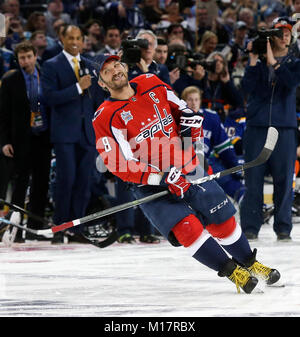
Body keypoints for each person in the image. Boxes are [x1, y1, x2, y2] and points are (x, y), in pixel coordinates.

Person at [92, 53, 280, 294]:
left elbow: (181, 110)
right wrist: (160, 177)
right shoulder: (105, 116)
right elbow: (119, 164)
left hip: (186, 165)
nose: (115, 70)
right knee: (187, 228)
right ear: (101, 83)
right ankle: (233, 271)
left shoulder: (151, 82)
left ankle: (251, 264)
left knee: (222, 219)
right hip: (152, 183)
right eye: (107, 71)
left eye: (117, 64)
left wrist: (190, 123)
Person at [41, 25, 104, 243]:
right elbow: (48, 98)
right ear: (62, 39)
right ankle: (60, 227)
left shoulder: (90, 65)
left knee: (84, 183)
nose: (75, 42)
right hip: (64, 134)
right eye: (71, 38)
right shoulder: (51, 65)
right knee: (66, 180)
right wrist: (77, 87)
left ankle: (77, 229)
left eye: (78, 38)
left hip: (88, 134)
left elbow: (96, 101)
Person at [240, 17, 300, 241]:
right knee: (253, 179)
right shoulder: (259, 62)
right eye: (280, 32)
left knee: (285, 180)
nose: (285, 35)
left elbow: (291, 82)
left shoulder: (295, 60)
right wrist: (254, 60)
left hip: (285, 127)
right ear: (271, 37)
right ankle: (250, 227)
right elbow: (247, 87)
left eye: (287, 32)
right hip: (257, 126)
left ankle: (283, 227)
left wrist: (274, 63)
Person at [0, 41, 52, 241]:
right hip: (21, 140)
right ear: (17, 59)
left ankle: (34, 229)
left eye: (29, 56)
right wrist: (4, 142)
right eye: (22, 58)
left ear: (35, 55)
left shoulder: (45, 76)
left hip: (43, 138)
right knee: (20, 186)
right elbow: (3, 115)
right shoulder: (11, 80)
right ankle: (15, 230)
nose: (26, 61)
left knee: (41, 185)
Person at [181, 86, 245, 205]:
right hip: (182, 165)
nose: (194, 103)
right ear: (183, 101)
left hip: (205, 162)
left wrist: (234, 167)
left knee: (227, 179)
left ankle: (249, 203)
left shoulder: (210, 118)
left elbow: (224, 147)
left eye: (196, 99)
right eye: (190, 100)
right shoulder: (176, 117)